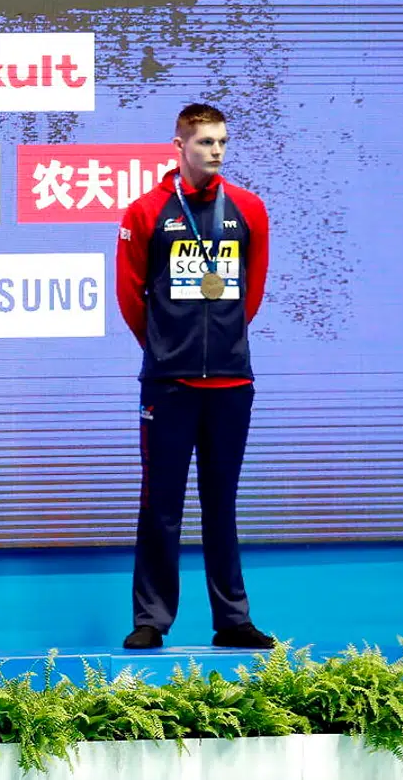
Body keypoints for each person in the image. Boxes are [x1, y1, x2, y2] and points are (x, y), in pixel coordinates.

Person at [115, 103, 275, 650]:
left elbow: (249, 295)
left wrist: (223, 345)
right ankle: (151, 620)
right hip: (169, 385)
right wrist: (167, 349)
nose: (216, 151)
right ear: (179, 145)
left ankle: (232, 619)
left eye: (222, 142)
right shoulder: (144, 213)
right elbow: (130, 295)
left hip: (231, 384)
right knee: (161, 504)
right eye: (205, 142)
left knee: (222, 502)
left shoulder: (249, 209)